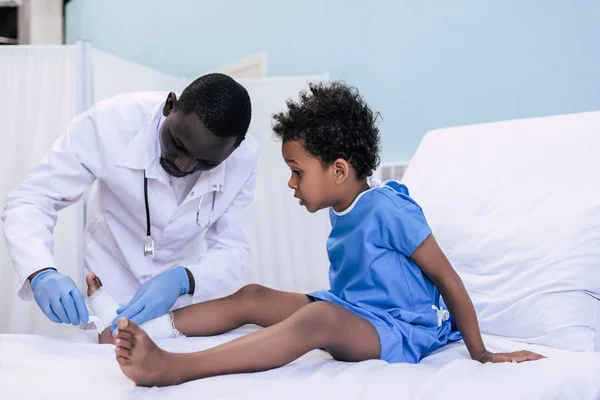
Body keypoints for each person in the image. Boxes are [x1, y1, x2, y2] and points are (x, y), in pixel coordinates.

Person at [105, 81, 544, 387]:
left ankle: (174, 367)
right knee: (253, 295)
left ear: (338, 170)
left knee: (316, 320)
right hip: (356, 310)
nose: (292, 184)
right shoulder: (341, 207)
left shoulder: (389, 208)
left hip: (400, 329)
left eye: (297, 172)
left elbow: (447, 278)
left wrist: (481, 354)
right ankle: (136, 325)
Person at [2, 73, 258, 331]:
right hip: (110, 283)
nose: (184, 165)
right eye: (178, 143)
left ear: (234, 150)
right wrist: (40, 272)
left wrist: (185, 280)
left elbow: (233, 248)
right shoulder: (111, 123)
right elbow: (32, 198)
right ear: (170, 105)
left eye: (206, 163)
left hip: (183, 301)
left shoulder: (243, 160)